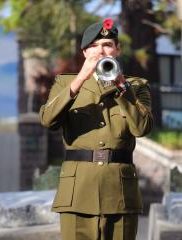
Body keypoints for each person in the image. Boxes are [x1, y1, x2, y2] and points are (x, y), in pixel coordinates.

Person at [39, 18, 153, 240]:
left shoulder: (137, 86)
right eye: (94, 46)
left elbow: (142, 127)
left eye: (107, 45)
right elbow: (48, 120)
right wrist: (81, 77)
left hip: (120, 193)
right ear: (84, 53)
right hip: (77, 192)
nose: (100, 51)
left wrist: (122, 87)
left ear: (117, 50)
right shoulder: (64, 83)